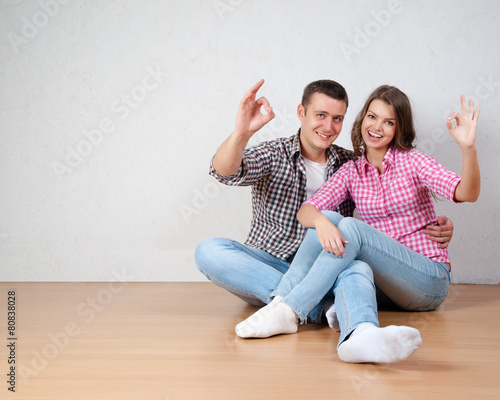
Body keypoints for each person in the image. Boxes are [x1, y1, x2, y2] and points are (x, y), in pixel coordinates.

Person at [235, 85, 480, 364]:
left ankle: (289, 309)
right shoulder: (351, 171)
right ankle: (357, 337)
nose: (377, 127)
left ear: (399, 129)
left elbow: (466, 193)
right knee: (347, 253)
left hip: (428, 280)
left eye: (389, 122)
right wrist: (323, 222)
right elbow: (307, 211)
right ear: (362, 119)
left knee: (348, 227)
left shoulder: (413, 161)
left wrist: (468, 148)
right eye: (372, 117)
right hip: (387, 288)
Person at [195, 79, 454, 325]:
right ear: (301, 112)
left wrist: (432, 225)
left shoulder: (350, 164)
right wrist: (242, 133)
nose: (328, 127)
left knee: (355, 264)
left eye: (337, 118)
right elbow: (225, 172)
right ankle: (316, 304)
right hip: (269, 262)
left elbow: (385, 209)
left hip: (327, 265)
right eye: (320, 115)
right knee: (209, 251)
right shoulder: (276, 153)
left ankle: (294, 302)